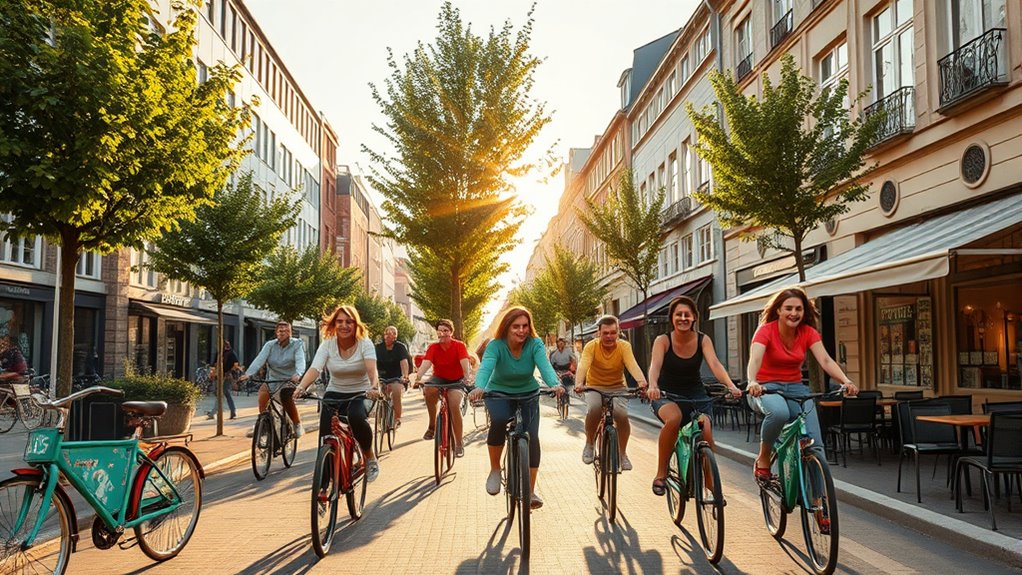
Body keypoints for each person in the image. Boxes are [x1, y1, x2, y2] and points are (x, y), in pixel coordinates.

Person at [746, 287, 858, 482]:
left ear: (804, 312)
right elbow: (754, 359)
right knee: (779, 412)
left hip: (796, 389)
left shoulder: (808, 332)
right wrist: (752, 381)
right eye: (788, 308)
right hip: (765, 388)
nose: (794, 313)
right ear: (779, 310)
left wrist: (846, 381)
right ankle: (763, 458)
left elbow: (825, 360)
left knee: (815, 445)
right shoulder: (766, 331)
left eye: (799, 309)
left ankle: (818, 503)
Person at [468, 307, 564, 509]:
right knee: (500, 420)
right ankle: (495, 470)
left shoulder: (535, 344)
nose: (521, 330)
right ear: (506, 327)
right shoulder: (495, 345)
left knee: (532, 437)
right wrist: (479, 387)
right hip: (498, 392)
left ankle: (529, 491)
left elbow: (544, 366)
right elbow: (486, 366)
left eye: (525, 326)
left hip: (528, 393)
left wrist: (555, 383)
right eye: (516, 326)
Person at [646, 296, 741, 496]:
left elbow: (715, 364)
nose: (683, 318)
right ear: (672, 318)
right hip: (666, 394)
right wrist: (652, 386)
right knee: (674, 419)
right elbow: (654, 366)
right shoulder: (663, 340)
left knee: (705, 429)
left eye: (687, 314)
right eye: (678, 314)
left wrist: (731, 386)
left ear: (694, 317)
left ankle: (710, 481)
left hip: (695, 394)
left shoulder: (702, 339)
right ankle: (661, 473)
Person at [297, 305, 381, 482]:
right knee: (326, 436)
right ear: (334, 324)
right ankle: (323, 487)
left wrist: (374, 387)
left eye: (349, 321)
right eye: (340, 321)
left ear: (356, 324)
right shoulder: (328, 343)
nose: (344, 325)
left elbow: (372, 370)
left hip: (361, 393)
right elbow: (315, 368)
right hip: (335, 392)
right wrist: (301, 387)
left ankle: (369, 457)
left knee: (356, 417)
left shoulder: (364, 342)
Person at [574, 315, 648, 471]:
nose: (609, 336)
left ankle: (622, 454)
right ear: (598, 333)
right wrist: (579, 383)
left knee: (621, 414)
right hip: (594, 386)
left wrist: (641, 382)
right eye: (605, 333)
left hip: (617, 386)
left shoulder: (624, 346)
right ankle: (589, 443)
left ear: (618, 332)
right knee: (594, 408)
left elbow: (632, 365)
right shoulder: (591, 346)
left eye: (613, 333)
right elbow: (583, 365)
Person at [412, 319, 472, 457]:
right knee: (428, 390)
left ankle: (458, 443)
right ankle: (432, 426)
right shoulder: (433, 347)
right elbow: (426, 363)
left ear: (451, 332)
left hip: (457, 379)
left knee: (454, 403)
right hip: (439, 378)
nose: (443, 333)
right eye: (440, 331)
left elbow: (465, 363)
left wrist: (467, 376)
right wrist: (418, 377)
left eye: (446, 331)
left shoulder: (459, 346)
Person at [240, 321, 307, 438]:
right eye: (280, 330)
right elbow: (259, 359)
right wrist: (248, 374)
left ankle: (297, 424)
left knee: (286, 398)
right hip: (273, 379)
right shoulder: (270, 345)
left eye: (286, 331)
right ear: (276, 332)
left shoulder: (297, 344)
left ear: (290, 333)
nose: (283, 333)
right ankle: (264, 423)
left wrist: (298, 374)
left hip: (289, 380)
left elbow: (300, 360)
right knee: (262, 395)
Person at [375, 326, 411, 427]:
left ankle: (397, 418)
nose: (388, 335)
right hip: (382, 375)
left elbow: (404, 362)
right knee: (380, 393)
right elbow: (372, 362)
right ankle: (382, 415)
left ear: (395, 336)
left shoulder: (400, 347)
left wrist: (405, 376)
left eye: (392, 333)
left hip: (396, 376)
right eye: (386, 333)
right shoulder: (378, 347)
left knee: (396, 391)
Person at [210, 340, 240, 420]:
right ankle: (232, 411)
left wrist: (229, 372)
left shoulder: (231, 353)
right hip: (219, 376)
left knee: (222, 393)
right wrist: (213, 373)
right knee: (224, 393)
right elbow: (215, 364)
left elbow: (236, 364)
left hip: (227, 376)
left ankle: (213, 412)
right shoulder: (219, 353)